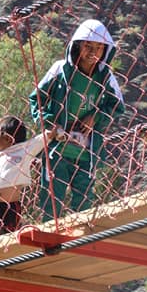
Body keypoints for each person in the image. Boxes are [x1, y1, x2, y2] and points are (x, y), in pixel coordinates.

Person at [29, 19, 125, 220]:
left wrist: (95, 116)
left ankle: (82, 241)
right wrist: (49, 123)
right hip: (58, 148)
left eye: (99, 48)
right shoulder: (60, 70)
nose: (93, 52)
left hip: (86, 152)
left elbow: (118, 106)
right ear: (77, 46)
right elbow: (36, 99)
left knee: (84, 204)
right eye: (88, 46)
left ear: (106, 50)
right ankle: (51, 238)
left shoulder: (105, 76)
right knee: (52, 202)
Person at [0, 115, 59, 237]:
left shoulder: (23, 150)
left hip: (12, 205)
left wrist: (52, 132)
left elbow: (39, 140)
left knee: (12, 233)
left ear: (8, 138)